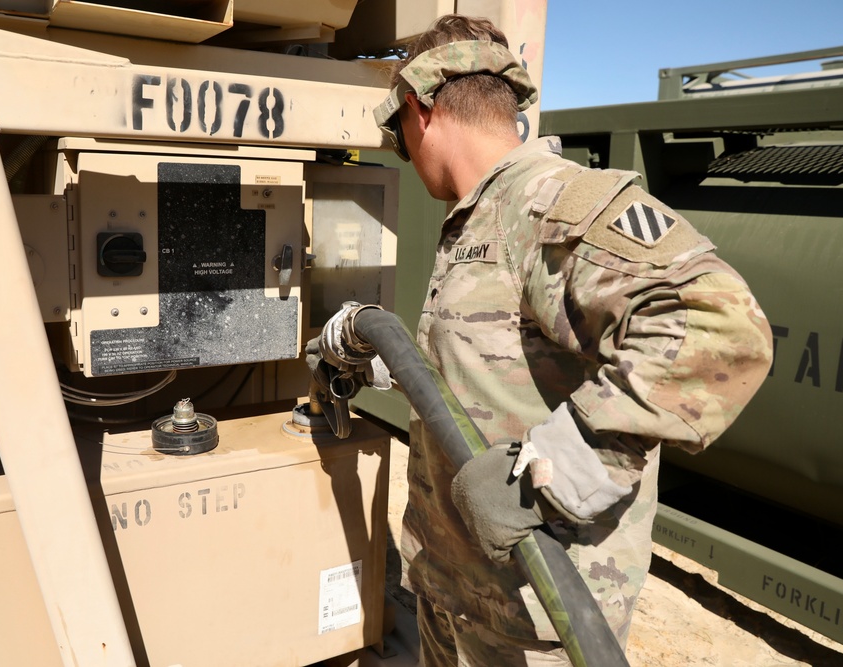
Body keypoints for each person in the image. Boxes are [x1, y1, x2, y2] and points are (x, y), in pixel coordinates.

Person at [325, 13, 773, 666]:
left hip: (534, 615)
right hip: (459, 589)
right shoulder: (483, 215)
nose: (405, 155)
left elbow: (720, 326)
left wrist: (551, 475)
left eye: (398, 139)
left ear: (419, 110)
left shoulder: (551, 205)